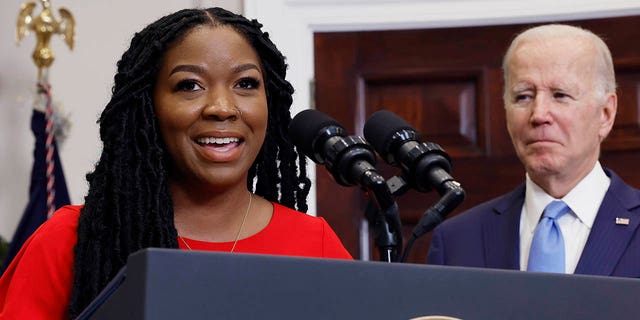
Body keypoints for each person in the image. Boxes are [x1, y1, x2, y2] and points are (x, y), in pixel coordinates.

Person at [0, 7, 352, 319]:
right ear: (148, 108)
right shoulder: (70, 239)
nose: (222, 107)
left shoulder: (314, 245)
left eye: (245, 83)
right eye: (190, 86)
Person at [427, 24, 640, 277]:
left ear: (605, 114)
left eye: (560, 95)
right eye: (523, 97)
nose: (538, 115)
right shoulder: (457, 241)